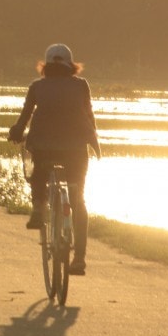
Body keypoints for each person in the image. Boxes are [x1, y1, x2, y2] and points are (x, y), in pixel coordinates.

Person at [8, 43, 100, 276]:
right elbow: (89, 116)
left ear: (46, 66)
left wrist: (16, 132)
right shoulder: (81, 86)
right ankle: (79, 258)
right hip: (76, 150)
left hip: (44, 146)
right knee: (77, 199)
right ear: (71, 66)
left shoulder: (37, 87)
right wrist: (94, 141)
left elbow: (25, 117)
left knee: (38, 173)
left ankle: (39, 207)